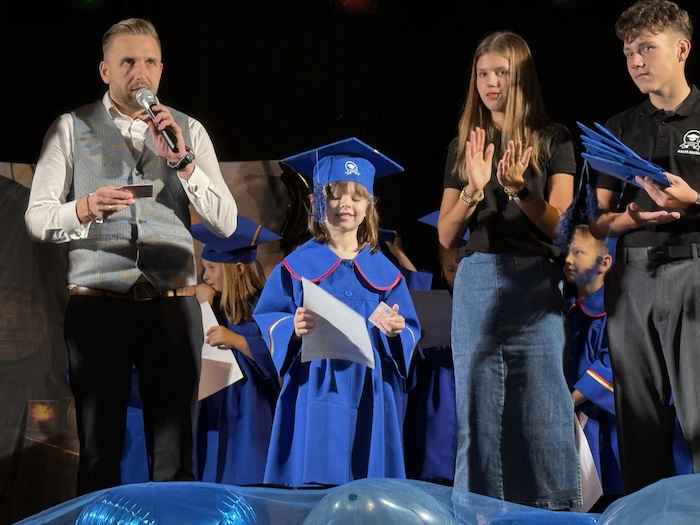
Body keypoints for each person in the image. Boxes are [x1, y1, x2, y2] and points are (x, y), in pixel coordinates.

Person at [24, 18, 237, 495]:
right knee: (99, 452)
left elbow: (225, 223)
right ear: (105, 71)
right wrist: (84, 207)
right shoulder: (71, 127)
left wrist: (183, 163)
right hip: (99, 304)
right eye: (128, 62)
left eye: (149, 62)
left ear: (161, 69)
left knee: (175, 455)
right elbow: (36, 219)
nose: (140, 73)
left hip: (172, 304)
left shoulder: (188, 130)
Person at [437, 30, 580, 509]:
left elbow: (561, 228)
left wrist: (519, 190)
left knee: (543, 403)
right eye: (483, 74)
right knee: (476, 406)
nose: (491, 83)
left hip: (534, 281)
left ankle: (552, 513)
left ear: (522, 77)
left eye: (502, 72)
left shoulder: (554, 138)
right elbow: (446, 235)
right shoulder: (465, 145)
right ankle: (477, 512)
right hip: (477, 280)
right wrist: (473, 190)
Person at [252, 138, 421, 488]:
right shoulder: (296, 267)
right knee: (316, 478)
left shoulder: (386, 273)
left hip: (369, 386)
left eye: (356, 197)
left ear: (369, 205)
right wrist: (293, 326)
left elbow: (409, 330)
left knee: (368, 485)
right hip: (316, 384)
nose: (346, 204)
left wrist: (396, 330)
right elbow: (270, 316)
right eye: (335, 195)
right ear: (316, 203)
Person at [588, 0, 700, 493]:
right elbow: (597, 220)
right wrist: (634, 217)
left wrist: (693, 201)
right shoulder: (619, 126)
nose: (635, 61)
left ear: (682, 49)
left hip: (694, 272)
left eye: (647, 48)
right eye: (629, 52)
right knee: (638, 421)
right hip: (632, 278)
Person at [191, 218, 281, 486]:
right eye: (204, 268)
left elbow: (275, 357)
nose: (205, 276)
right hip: (214, 397)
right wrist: (204, 307)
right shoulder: (212, 303)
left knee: (246, 465)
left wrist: (237, 341)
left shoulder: (263, 305)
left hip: (251, 403)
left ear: (238, 269)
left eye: (212, 268)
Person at [562, 225, 621, 510]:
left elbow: (612, 364)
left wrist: (570, 400)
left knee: (609, 491)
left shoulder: (614, 311)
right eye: (567, 252)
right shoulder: (568, 310)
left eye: (578, 253)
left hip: (604, 421)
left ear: (604, 263)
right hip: (574, 420)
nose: (568, 260)